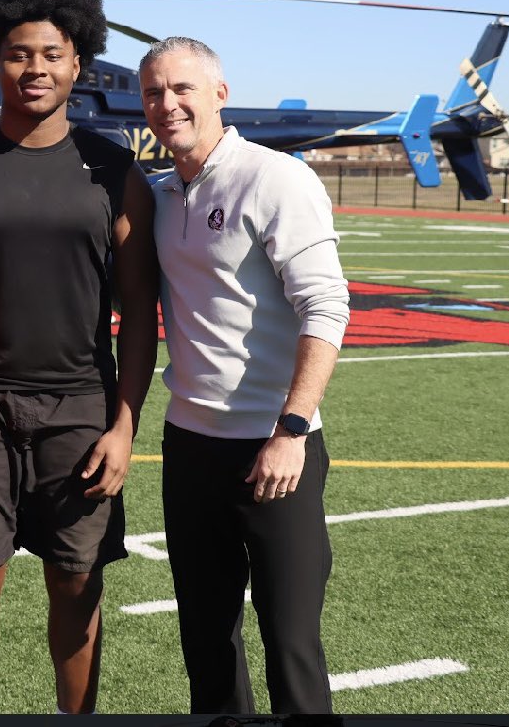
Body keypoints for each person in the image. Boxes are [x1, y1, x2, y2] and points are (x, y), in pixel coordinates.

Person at [0, 0, 160, 714]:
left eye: (53, 53)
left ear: (80, 63)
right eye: (19, 54)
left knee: (77, 581)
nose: (37, 68)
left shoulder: (115, 174)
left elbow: (140, 312)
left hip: (80, 405)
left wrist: (125, 424)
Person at [138, 37, 350, 715]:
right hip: (190, 446)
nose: (167, 104)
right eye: (153, 93)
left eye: (182, 89)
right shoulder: (159, 193)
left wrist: (291, 429)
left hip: (275, 447)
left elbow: (327, 306)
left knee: (290, 641)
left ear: (219, 95)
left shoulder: (275, 178)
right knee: (206, 640)